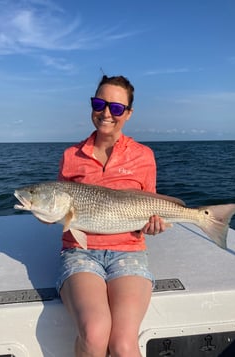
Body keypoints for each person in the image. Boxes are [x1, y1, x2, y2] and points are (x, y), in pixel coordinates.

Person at [56, 75, 166, 357]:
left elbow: (151, 204)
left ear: (128, 114)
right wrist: (46, 212)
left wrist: (154, 224)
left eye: (116, 108)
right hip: (81, 251)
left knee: (123, 345)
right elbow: (60, 210)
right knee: (94, 332)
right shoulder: (71, 155)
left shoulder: (144, 156)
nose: (106, 113)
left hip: (128, 251)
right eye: (99, 103)